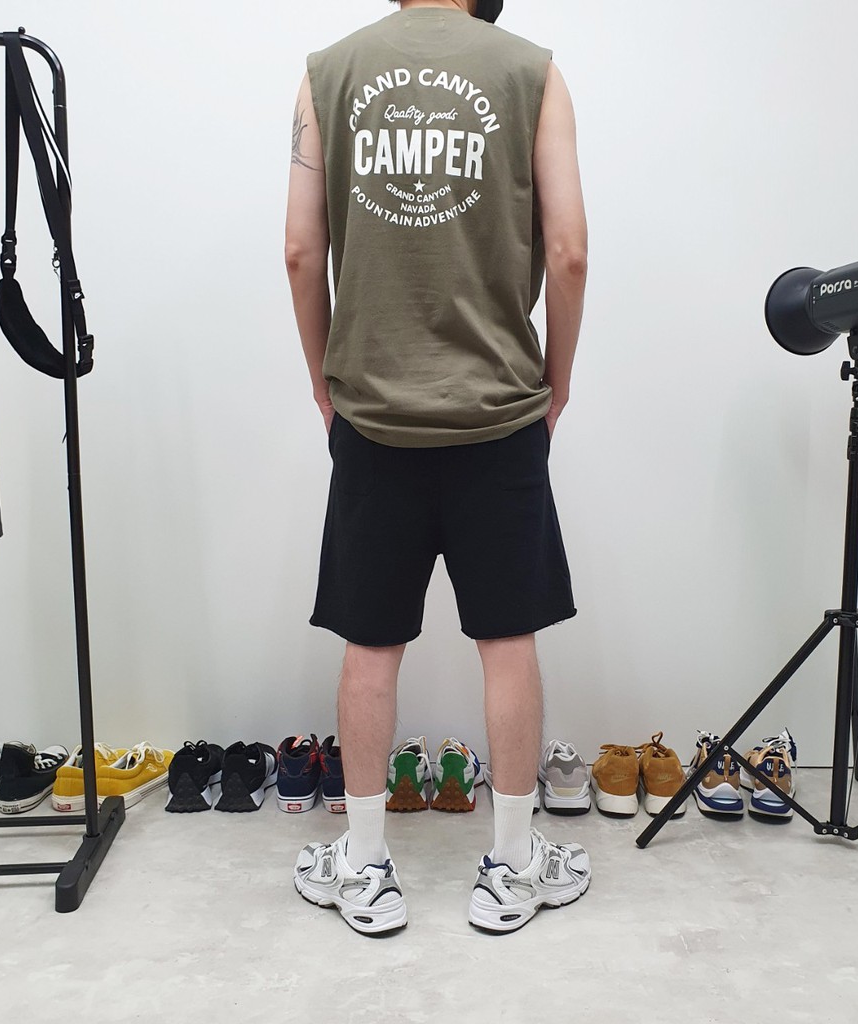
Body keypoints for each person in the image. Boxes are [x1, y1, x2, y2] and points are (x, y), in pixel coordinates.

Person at [284, 0, 589, 935]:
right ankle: (514, 864)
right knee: (508, 641)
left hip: (374, 417)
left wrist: (325, 382)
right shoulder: (533, 70)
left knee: (371, 647)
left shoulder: (327, 72)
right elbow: (570, 253)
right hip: (498, 414)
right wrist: (556, 382)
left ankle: (365, 864)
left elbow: (299, 251)